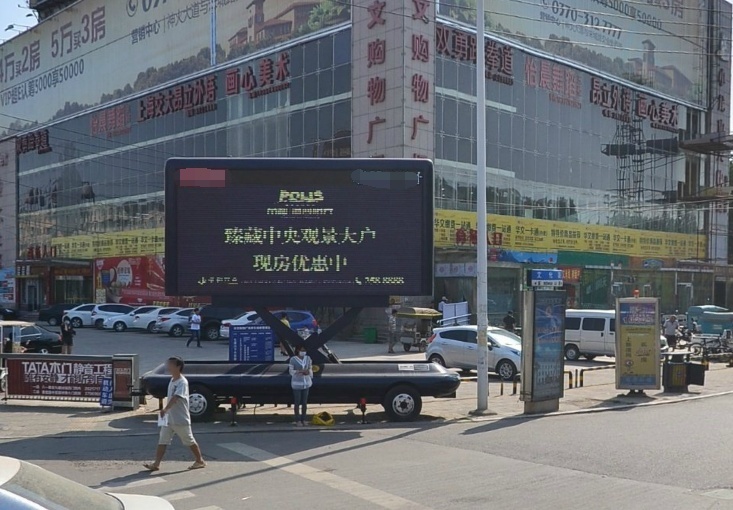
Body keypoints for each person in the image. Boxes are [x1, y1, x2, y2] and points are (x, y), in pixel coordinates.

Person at [144, 356, 206, 471]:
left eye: (171, 364)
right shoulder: (172, 380)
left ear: (178, 367)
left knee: (189, 440)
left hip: (180, 418)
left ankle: (199, 461)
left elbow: (176, 397)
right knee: (162, 440)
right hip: (169, 419)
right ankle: (156, 464)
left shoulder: (182, 382)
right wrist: (166, 412)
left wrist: (165, 409)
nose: (168, 366)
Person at [289, 345, 312, 426]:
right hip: (297, 384)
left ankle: (304, 419)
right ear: (298, 350)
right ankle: (297, 420)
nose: (303, 352)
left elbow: (310, 368)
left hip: (306, 383)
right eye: (301, 350)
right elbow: (291, 371)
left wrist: (308, 372)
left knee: (304, 402)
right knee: (297, 402)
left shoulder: (308, 358)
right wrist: (299, 371)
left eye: (304, 350)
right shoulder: (293, 359)